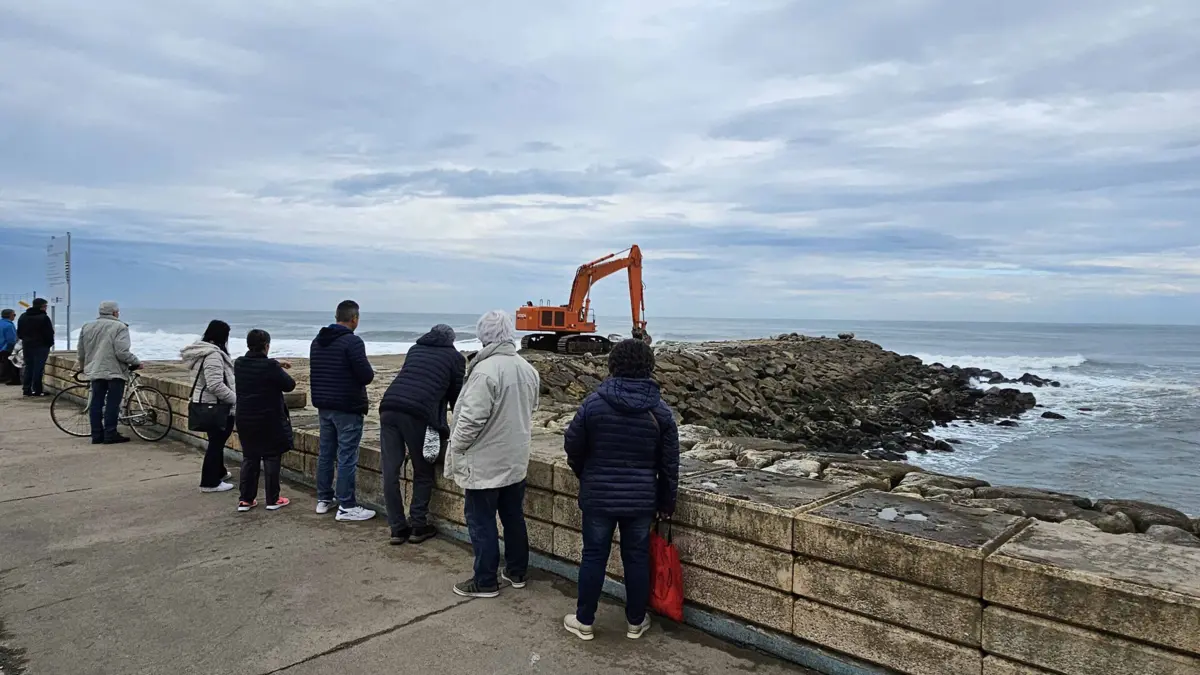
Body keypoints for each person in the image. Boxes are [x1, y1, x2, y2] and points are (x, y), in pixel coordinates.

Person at [562, 338, 680, 641]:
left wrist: (586, 474)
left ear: (612, 365)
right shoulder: (661, 412)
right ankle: (635, 622)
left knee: (594, 557)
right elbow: (669, 465)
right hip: (641, 499)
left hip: (598, 495)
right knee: (637, 558)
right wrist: (667, 503)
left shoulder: (593, 404)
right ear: (649, 367)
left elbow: (572, 445)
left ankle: (584, 621)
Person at [445, 310, 540, 598]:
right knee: (513, 517)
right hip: (514, 457)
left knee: (481, 520)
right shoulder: (527, 369)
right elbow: (531, 409)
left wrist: (456, 446)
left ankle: (485, 580)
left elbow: (471, 419)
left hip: (485, 462)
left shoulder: (485, 371)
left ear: (484, 336)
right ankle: (516, 570)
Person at [379, 324, 465, 545]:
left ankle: (397, 528)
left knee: (390, 470)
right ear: (451, 340)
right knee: (423, 469)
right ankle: (418, 525)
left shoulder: (414, 349)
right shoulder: (455, 357)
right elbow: (457, 398)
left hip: (389, 407)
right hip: (416, 414)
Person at [310, 300, 376, 522]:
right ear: (354, 318)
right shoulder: (352, 342)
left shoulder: (317, 342)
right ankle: (346, 505)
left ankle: (323, 499)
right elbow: (366, 375)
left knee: (326, 454)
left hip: (324, 405)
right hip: (347, 406)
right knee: (347, 455)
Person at [234, 329, 297, 512]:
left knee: (250, 457)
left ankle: (246, 499)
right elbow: (289, 385)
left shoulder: (239, 364)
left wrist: (276, 364)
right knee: (271, 456)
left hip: (245, 417)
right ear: (267, 346)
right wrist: (276, 366)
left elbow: (256, 365)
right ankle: (272, 498)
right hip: (269, 418)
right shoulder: (270, 367)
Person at [181, 320, 236, 493]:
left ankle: (219, 472)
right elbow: (215, 385)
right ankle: (209, 482)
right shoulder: (213, 355)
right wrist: (234, 399)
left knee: (216, 440)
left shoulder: (201, 352)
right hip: (215, 405)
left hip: (205, 403)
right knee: (217, 442)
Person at [76, 301, 143, 444]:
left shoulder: (87, 326)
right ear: (114, 312)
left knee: (96, 403)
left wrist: (84, 367)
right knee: (113, 403)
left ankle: (96, 435)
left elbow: (81, 352)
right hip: (114, 371)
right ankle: (110, 433)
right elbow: (121, 352)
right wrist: (136, 361)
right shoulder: (120, 327)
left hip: (95, 370)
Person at [17, 298, 54, 397]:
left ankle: (26, 389)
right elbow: (49, 333)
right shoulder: (43, 317)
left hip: (27, 345)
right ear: (42, 307)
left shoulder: (23, 316)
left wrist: (26, 339)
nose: (46, 308)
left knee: (29, 367)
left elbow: (19, 333)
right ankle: (37, 390)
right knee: (38, 368)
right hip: (41, 346)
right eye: (45, 306)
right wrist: (49, 344)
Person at [0, 309, 20, 385]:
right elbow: (11, 340)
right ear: (10, 315)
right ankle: (14, 380)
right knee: (13, 365)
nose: (14, 316)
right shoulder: (9, 325)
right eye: (14, 315)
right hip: (6, 348)